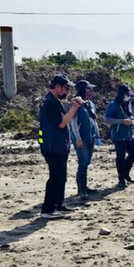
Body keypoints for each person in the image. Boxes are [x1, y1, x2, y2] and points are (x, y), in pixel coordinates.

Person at [38, 74, 84, 219]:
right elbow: (62, 123)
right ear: (57, 87)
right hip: (53, 146)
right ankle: (48, 209)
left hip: (58, 146)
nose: (68, 92)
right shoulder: (50, 103)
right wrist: (74, 108)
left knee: (61, 177)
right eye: (65, 88)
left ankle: (59, 205)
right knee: (55, 177)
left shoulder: (54, 101)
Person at [69, 79, 100, 199]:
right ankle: (81, 190)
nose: (91, 91)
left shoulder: (90, 104)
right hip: (82, 138)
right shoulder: (76, 103)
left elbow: (93, 120)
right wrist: (78, 139)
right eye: (88, 88)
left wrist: (97, 135)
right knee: (82, 162)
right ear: (82, 89)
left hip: (91, 137)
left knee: (86, 162)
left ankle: (84, 187)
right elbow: (74, 122)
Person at [105, 84, 134, 188]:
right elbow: (108, 119)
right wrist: (122, 122)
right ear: (122, 95)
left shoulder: (128, 104)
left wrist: (133, 119)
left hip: (129, 135)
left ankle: (125, 173)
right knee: (120, 157)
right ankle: (121, 178)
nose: (128, 97)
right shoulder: (113, 105)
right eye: (127, 95)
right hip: (118, 136)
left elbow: (129, 115)